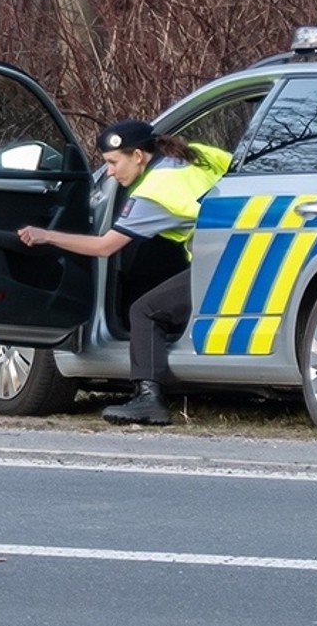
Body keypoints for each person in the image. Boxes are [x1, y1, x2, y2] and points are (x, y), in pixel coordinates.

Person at [15, 118, 231, 427]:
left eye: (113, 163)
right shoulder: (195, 154)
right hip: (243, 252)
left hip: (218, 266)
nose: (111, 172)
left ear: (139, 157)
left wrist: (47, 236)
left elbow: (105, 247)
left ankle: (149, 398)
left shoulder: (152, 195)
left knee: (145, 311)